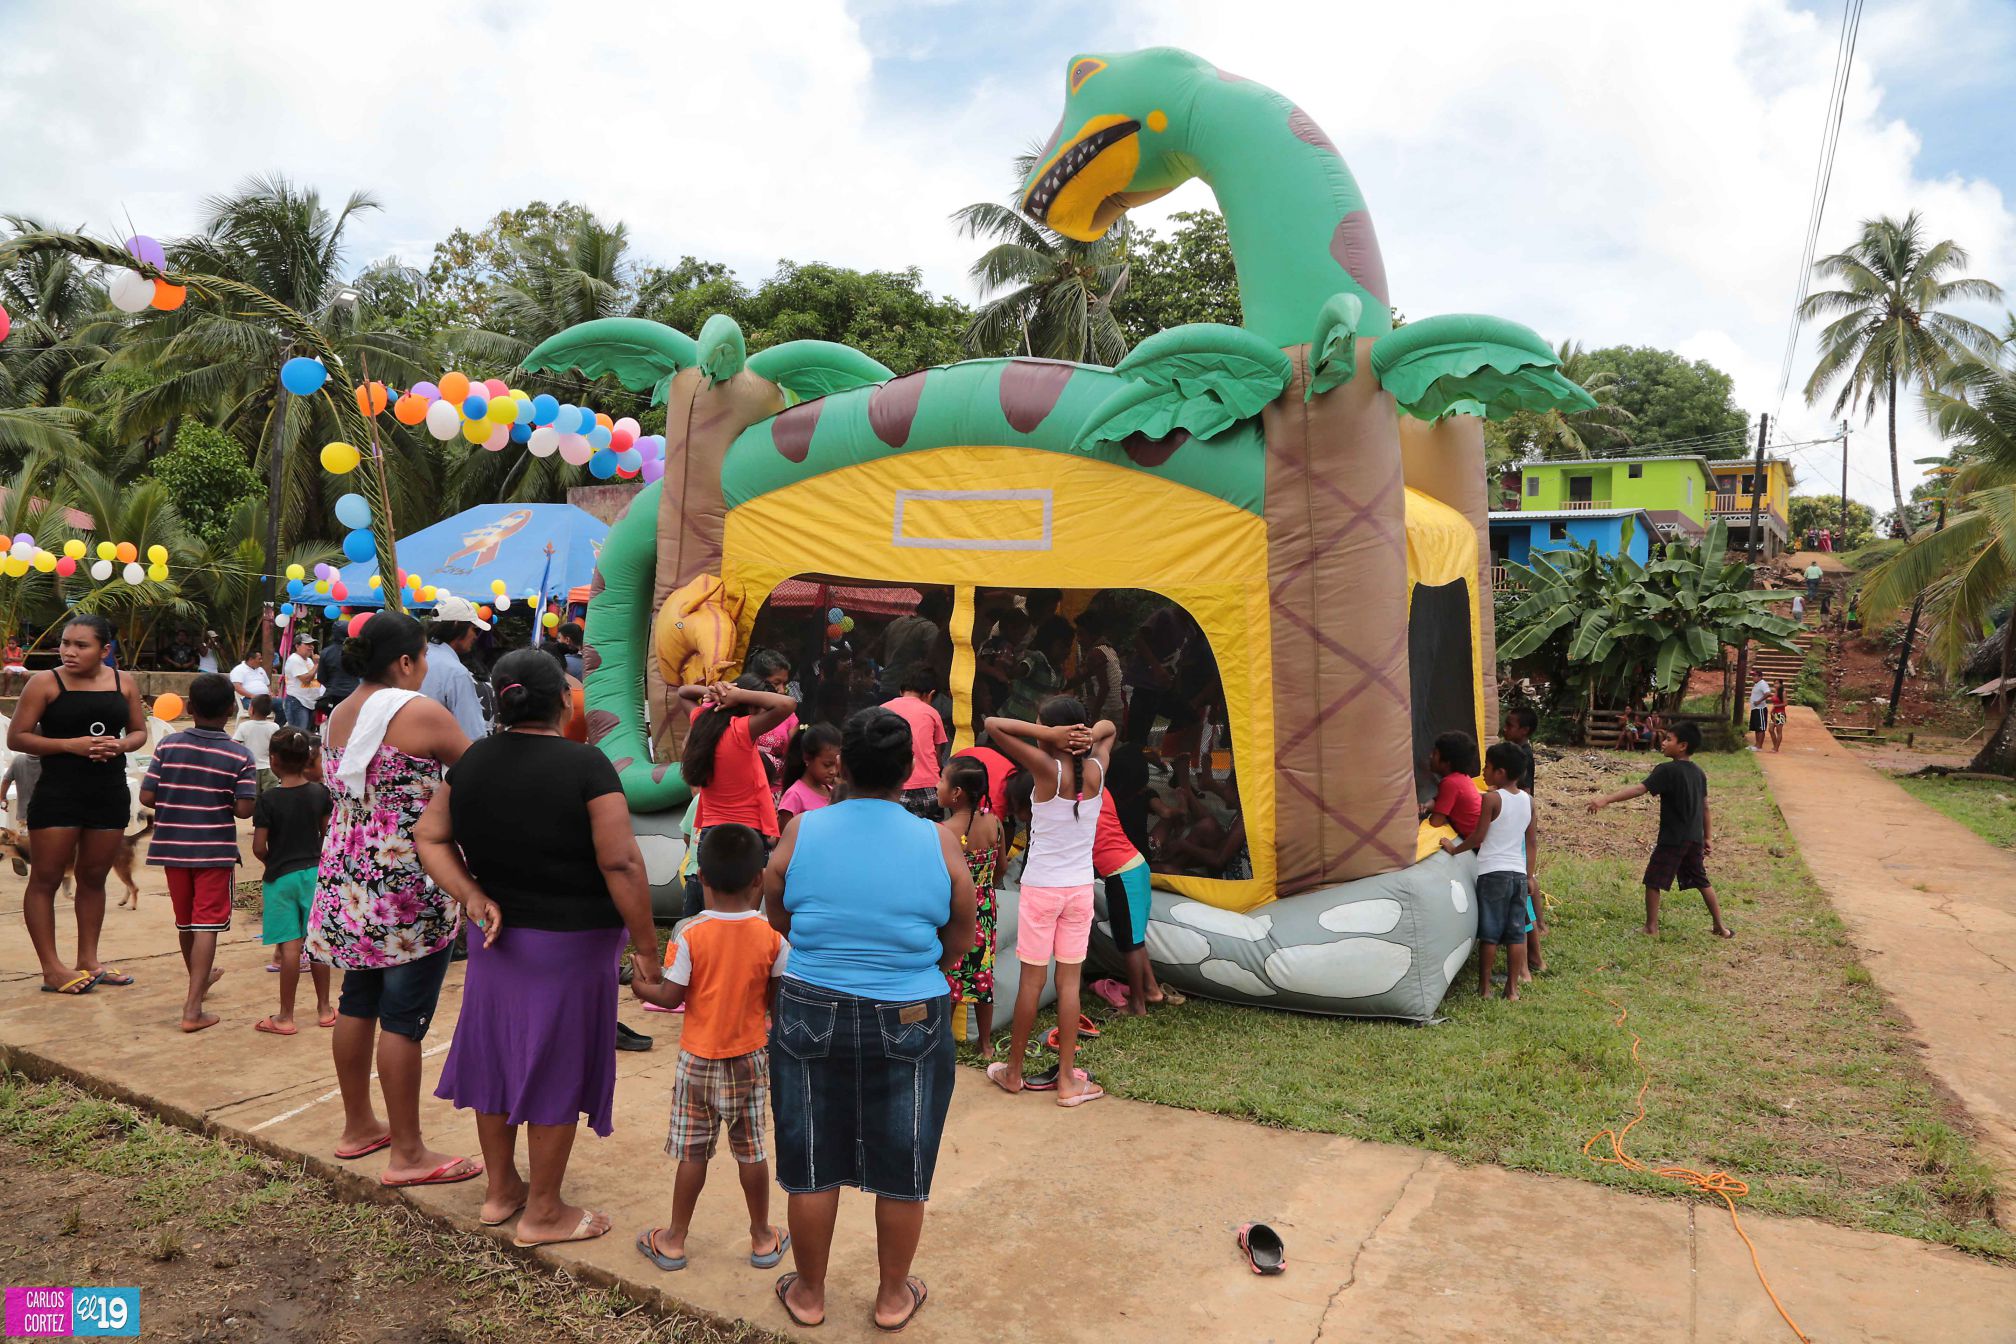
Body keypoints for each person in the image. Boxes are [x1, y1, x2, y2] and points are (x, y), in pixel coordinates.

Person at [419, 647, 661, 1244]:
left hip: (496, 940)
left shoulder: (472, 763)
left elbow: (430, 834)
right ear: (563, 699)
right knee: (556, 1066)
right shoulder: (586, 765)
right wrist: (649, 950)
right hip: (572, 946)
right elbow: (621, 861)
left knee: (499, 1057)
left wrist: (470, 894)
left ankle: (502, 1190)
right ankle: (544, 1212)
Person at [761, 706, 975, 1332]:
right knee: (905, 1165)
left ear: (843, 768)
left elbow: (777, 911)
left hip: (809, 1001)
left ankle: (808, 1293)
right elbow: (959, 933)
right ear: (909, 770)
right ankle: (890, 1298)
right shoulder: (937, 839)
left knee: (809, 1158)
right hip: (911, 1006)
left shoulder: (802, 828)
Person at [305, 611, 480, 1188]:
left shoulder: (339, 716)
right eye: (423, 658)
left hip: (349, 879)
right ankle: (408, 1154)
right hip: (407, 887)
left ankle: (360, 1125)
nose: (426, 668)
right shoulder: (419, 711)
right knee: (403, 1018)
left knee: (359, 1001)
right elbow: (480, 778)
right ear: (406, 662)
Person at [630, 824, 788, 1273]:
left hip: (698, 1060)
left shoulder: (689, 932)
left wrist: (640, 980)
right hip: (751, 1058)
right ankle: (762, 1237)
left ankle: (674, 1239)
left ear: (702, 878)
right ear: (758, 879)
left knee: (693, 1152)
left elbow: (669, 997)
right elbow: (776, 999)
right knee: (751, 1149)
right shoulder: (773, 937)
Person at [7, 614, 149, 995]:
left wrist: (121, 745)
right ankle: (52, 969)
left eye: (80, 645)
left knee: (93, 878)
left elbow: (139, 732)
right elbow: (17, 738)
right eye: (65, 643)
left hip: (108, 792)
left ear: (104, 650)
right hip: (58, 794)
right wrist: (69, 745)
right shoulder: (45, 683)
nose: (69, 651)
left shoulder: (124, 682)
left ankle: (89, 960)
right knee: (46, 879)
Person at [983, 698, 1114, 1106]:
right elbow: (1109, 729)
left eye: (1043, 728)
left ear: (1054, 734)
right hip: (1079, 890)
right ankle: (1066, 1083)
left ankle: (1014, 1072)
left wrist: (1046, 736)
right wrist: (1087, 735)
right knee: (1069, 984)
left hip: (1041, 891)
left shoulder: (1047, 770)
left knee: (1031, 983)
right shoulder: (1094, 769)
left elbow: (993, 723)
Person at [141, 672, 257, 1032]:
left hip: (173, 848)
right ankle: (192, 1009)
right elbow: (243, 810)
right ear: (229, 709)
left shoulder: (167, 747)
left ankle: (199, 983)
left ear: (190, 708)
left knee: (186, 922)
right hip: (213, 850)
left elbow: (146, 797)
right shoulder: (240, 756)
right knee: (207, 924)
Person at [1586, 721, 1732, 939]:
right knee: (1702, 881)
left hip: (1673, 838)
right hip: (1694, 838)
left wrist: (1606, 799)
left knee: (1653, 880)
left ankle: (1651, 927)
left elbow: (1639, 789)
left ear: (1682, 745)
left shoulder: (1666, 770)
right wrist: (1708, 837)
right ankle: (1721, 927)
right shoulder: (1698, 773)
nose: (1663, 743)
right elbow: (1705, 807)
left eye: (1668, 740)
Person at [678, 676, 796, 919]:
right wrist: (737, 695)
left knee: (713, 918)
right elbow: (787, 704)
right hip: (748, 834)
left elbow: (683, 692)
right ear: (746, 704)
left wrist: (717, 692)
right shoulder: (741, 730)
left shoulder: (701, 722)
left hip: (710, 833)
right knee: (747, 918)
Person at [252, 727, 334, 1035]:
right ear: (307, 759)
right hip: (314, 874)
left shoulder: (268, 800)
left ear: (273, 761)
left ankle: (285, 1016)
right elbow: (328, 833)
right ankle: (325, 1010)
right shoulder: (319, 793)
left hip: (281, 876)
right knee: (316, 943)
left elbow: (259, 846)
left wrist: (271, 861)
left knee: (291, 947)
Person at [1442, 743, 1536, 1000]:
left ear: (1501, 772)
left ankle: (1484, 989)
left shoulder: (1491, 799)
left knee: (1490, 934)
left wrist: (1454, 849)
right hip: (1517, 874)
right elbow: (1531, 842)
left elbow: (1478, 837)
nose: (1483, 772)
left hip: (1493, 873)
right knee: (1516, 932)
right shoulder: (1529, 801)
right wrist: (1529, 876)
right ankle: (1513, 990)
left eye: (1487, 767)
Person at [938, 757, 1003, 1056]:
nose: (937, 785)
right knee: (982, 971)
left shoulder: (943, 831)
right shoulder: (995, 823)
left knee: (948, 971)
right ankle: (985, 1044)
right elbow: (1000, 868)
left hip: (953, 908)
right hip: (985, 906)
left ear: (956, 793)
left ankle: (941, 1039)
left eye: (942, 780)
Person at [1095, 784, 1158, 1016]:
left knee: (1129, 943)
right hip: (1132, 866)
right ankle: (1151, 990)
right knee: (1135, 938)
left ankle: (1137, 1005)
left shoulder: (1083, 791)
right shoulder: (1098, 785)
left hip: (1121, 872)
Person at [420, 597, 492, 743]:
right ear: (456, 625)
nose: (475, 636)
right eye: (473, 629)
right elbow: (473, 734)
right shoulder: (456, 672)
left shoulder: (418, 657)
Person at [883, 671, 949, 819]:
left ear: (901, 691)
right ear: (930, 694)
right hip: (929, 787)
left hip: (895, 786)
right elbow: (937, 756)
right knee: (932, 831)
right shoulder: (932, 712)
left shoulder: (881, 710)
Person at [877, 592, 948, 700]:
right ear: (938, 611)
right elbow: (935, 660)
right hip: (909, 692)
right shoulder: (929, 628)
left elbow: (878, 655)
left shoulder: (896, 622)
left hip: (886, 687)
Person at [747, 649, 800, 790]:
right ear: (758, 680)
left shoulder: (789, 717)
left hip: (775, 791)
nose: (782, 690)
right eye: (776, 683)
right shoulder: (741, 711)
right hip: (743, 788)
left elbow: (793, 758)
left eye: (784, 684)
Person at [1002, 616, 1072, 723]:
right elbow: (1019, 671)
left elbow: (1065, 686)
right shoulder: (1036, 659)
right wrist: (1011, 672)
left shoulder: (1058, 672)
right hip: (1011, 720)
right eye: (1062, 646)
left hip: (1032, 728)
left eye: (1069, 647)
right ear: (1048, 644)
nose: (1066, 651)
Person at [776, 722, 841, 825]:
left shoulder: (833, 792)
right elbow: (785, 838)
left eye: (836, 765)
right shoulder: (794, 796)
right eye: (827, 765)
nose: (833, 771)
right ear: (807, 758)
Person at [1420, 731, 1482, 838]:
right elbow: (1438, 800)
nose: (1430, 756)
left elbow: (1435, 822)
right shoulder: (1463, 778)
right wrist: (1425, 806)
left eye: (1435, 754)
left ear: (1447, 763)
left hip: (1473, 843)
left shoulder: (1450, 783)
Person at [1073, 613, 1124, 728]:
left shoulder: (1095, 653)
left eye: (1081, 634)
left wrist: (1095, 716)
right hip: (1119, 705)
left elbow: (1104, 687)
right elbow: (1087, 674)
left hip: (1109, 708)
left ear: (1093, 634)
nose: (1078, 639)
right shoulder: (1108, 649)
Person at [233, 693, 280, 792]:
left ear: (251, 709)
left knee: (252, 797)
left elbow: (234, 745)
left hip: (250, 769)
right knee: (270, 797)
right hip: (269, 768)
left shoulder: (244, 726)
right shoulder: (274, 726)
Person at [317, 634, 360, 720]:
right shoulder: (356, 652)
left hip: (333, 695)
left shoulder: (326, 652)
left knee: (333, 720)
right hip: (353, 693)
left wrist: (331, 685)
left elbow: (321, 677)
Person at [279, 637, 319, 729]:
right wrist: (316, 664)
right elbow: (306, 679)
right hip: (298, 702)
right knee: (299, 735)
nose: (311, 647)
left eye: (312, 645)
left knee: (307, 735)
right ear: (297, 646)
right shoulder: (294, 660)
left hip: (309, 702)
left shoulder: (308, 660)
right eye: (307, 645)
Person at [228, 649, 271, 715]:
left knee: (281, 704)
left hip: (265, 698)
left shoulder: (261, 669)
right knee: (261, 707)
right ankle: (259, 724)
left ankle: (278, 725)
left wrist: (271, 694)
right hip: (248, 699)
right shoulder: (239, 670)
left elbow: (268, 685)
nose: (261, 661)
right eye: (259, 659)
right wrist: (252, 696)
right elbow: (236, 687)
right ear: (251, 659)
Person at [1748, 675, 1772, 751]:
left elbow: (1768, 693)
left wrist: (1759, 701)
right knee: (1756, 728)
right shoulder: (1756, 684)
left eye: (1755, 676)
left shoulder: (1763, 684)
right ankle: (1756, 745)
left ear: (1760, 677)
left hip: (1760, 709)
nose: (1753, 677)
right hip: (1755, 709)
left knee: (1761, 728)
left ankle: (1759, 746)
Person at [1769, 682, 1788, 753]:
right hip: (1774, 713)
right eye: (1774, 683)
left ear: (1781, 685)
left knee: (1778, 731)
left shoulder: (1783, 692)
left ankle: (1776, 748)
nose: (1775, 685)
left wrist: (1775, 706)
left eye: (1777, 683)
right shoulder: (1775, 692)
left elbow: (1785, 703)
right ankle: (1775, 746)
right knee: (1770, 729)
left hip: (1780, 713)